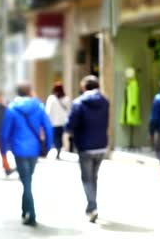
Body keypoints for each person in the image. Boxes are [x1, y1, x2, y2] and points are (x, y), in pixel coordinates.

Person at [0, 83, 53, 226]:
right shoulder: (39, 106)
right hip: (34, 150)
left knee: (26, 182)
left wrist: (3, 153)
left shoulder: (11, 108)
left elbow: (4, 133)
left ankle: (32, 214)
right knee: (27, 180)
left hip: (19, 150)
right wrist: (48, 147)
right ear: (30, 92)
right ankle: (25, 210)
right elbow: (48, 128)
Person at [65, 75, 109, 223]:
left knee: (86, 178)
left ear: (84, 87)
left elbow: (71, 125)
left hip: (85, 146)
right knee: (94, 177)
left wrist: (69, 132)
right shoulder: (105, 102)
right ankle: (92, 205)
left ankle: (92, 206)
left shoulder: (78, 103)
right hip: (101, 146)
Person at [46, 82, 71, 159]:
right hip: (63, 122)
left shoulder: (51, 98)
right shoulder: (67, 99)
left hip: (53, 122)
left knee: (55, 137)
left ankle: (58, 149)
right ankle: (59, 150)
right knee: (60, 137)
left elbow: (48, 111)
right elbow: (70, 110)